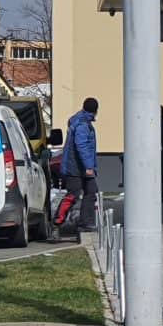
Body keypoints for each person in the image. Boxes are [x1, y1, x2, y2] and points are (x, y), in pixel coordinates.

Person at [54, 97, 99, 233]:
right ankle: (58, 221)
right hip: (77, 168)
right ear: (95, 110)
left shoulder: (78, 120)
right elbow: (81, 146)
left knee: (90, 191)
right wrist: (89, 167)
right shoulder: (83, 125)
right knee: (74, 194)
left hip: (76, 166)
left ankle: (85, 222)